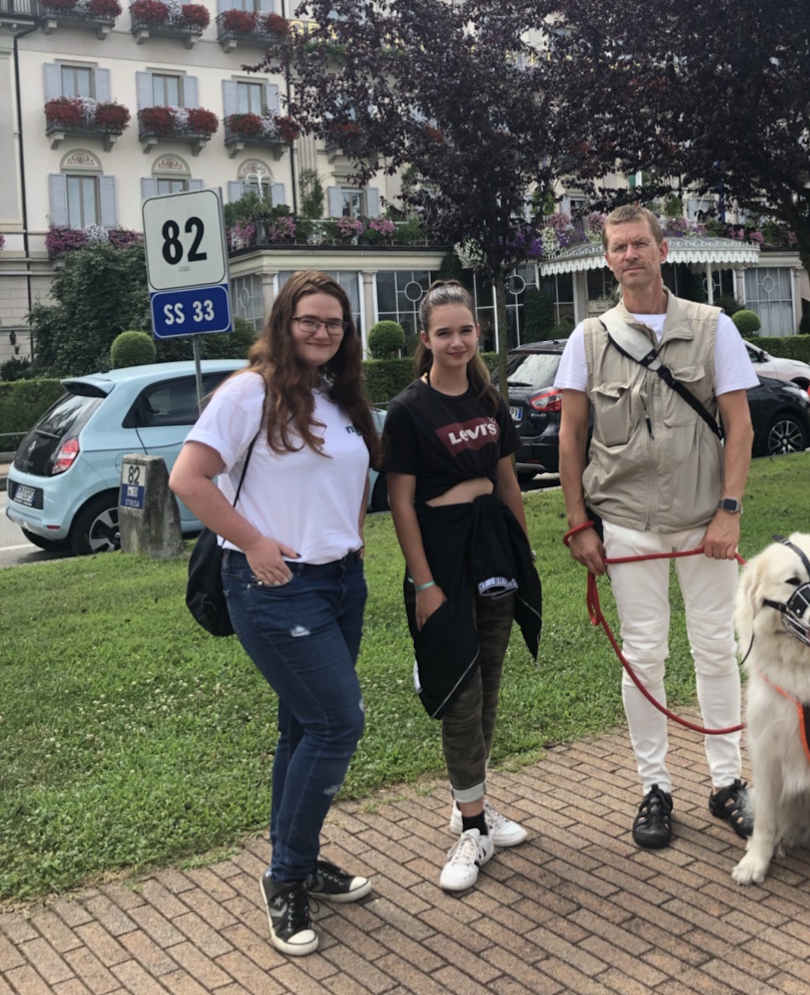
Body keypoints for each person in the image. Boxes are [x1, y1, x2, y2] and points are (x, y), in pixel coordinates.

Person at [170, 270, 380, 956]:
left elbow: (351, 482)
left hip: (340, 583)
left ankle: (300, 856)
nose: (323, 332)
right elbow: (188, 477)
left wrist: (348, 542)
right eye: (309, 320)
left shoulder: (338, 397)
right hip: (274, 586)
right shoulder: (248, 393)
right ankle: (285, 876)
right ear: (284, 322)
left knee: (302, 728)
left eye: (334, 323)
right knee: (337, 720)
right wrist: (254, 540)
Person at [557, 204, 758, 849]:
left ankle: (729, 783)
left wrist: (729, 511)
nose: (630, 255)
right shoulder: (587, 339)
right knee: (644, 654)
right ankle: (656, 787)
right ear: (607, 257)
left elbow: (740, 427)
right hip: (626, 525)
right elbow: (570, 438)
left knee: (715, 649)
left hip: (704, 523)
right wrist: (577, 524)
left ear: (662, 249)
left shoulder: (712, 327)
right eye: (618, 247)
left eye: (640, 243)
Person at [384, 281, 541, 894]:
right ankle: (471, 827)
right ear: (425, 340)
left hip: (492, 548)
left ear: (479, 334)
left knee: (491, 683)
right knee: (460, 690)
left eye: (466, 331)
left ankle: (468, 805)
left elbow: (507, 482)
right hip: (441, 555)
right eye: (443, 332)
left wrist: (522, 550)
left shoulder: (487, 397)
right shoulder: (408, 410)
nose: (456, 341)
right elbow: (399, 503)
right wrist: (423, 583)